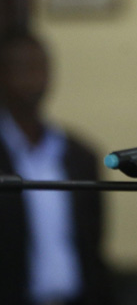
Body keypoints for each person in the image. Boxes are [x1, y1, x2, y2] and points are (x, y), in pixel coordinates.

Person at [0, 31, 112, 305]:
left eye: (39, 67)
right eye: (20, 68)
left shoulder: (80, 155)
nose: (32, 78)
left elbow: (93, 242)